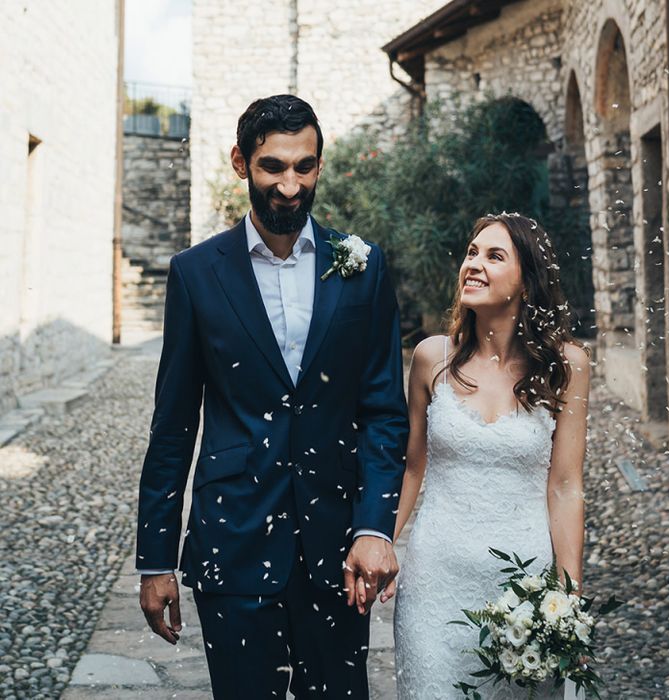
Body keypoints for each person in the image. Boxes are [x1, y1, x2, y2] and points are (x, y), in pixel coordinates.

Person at [134, 94, 408, 699]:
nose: (290, 185)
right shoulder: (195, 273)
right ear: (240, 163)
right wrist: (156, 560)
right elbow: (174, 425)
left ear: (319, 166)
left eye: (304, 167)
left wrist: (375, 527)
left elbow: (385, 412)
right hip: (231, 541)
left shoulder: (362, 266)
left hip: (336, 546)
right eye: (273, 167)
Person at [389, 213, 590, 699]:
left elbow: (564, 487)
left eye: (494, 256)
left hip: (524, 589)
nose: (473, 265)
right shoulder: (430, 358)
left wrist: (567, 600)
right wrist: (379, 543)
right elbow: (412, 466)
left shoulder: (567, 367)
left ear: (528, 282)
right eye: (472, 252)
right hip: (434, 584)